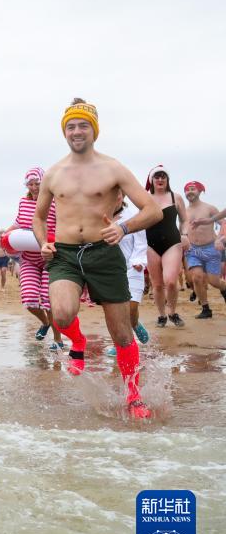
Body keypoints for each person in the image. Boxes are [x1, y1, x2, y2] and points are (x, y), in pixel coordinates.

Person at [35, 98, 162, 419]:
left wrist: (123, 228)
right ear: (64, 132)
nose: (77, 131)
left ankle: (133, 396)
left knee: (121, 332)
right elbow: (39, 217)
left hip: (103, 253)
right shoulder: (53, 173)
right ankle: (77, 342)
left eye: (83, 126)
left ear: (94, 131)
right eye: (71, 127)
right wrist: (43, 242)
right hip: (64, 254)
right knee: (61, 315)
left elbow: (153, 210)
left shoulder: (112, 168)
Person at [4, 167, 64, 349]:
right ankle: (45, 322)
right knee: (29, 300)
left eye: (37, 183)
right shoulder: (23, 202)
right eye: (30, 184)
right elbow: (18, 222)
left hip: (50, 258)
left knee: (48, 300)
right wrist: (5, 234)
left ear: (44, 182)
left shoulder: (54, 202)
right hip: (29, 258)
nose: (34, 187)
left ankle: (58, 339)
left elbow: (62, 225)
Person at [104, 191, 149, 355]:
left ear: (123, 195)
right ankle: (120, 344)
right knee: (116, 312)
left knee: (131, 309)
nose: (115, 197)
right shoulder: (100, 215)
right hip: (110, 270)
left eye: (118, 193)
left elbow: (141, 242)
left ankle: (135, 323)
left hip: (132, 267)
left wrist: (139, 261)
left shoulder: (133, 215)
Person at [144, 165, 188, 327]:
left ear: (167, 179)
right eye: (157, 176)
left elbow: (185, 219)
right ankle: (162, 315)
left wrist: (185, 234)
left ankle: (172, 312)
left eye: (163, 176)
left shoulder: (176, 197)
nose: (160, 179)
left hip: (172, 242)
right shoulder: (145, 198)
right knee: (157, 284)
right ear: (152, 180)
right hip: (151, 244)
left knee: (170, 281)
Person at [182, 181, 226, 318]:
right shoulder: (183, 212)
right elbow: (182, 229)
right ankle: (206, 309)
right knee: (197, 278)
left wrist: (220, 239)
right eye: (187, 189)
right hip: (193, 250)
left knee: (214, 281)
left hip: (211, 248)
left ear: (200, 191)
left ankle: (224, 290)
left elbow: (223, 223)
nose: (189, 192)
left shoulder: (209, 208)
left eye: (193, 189)